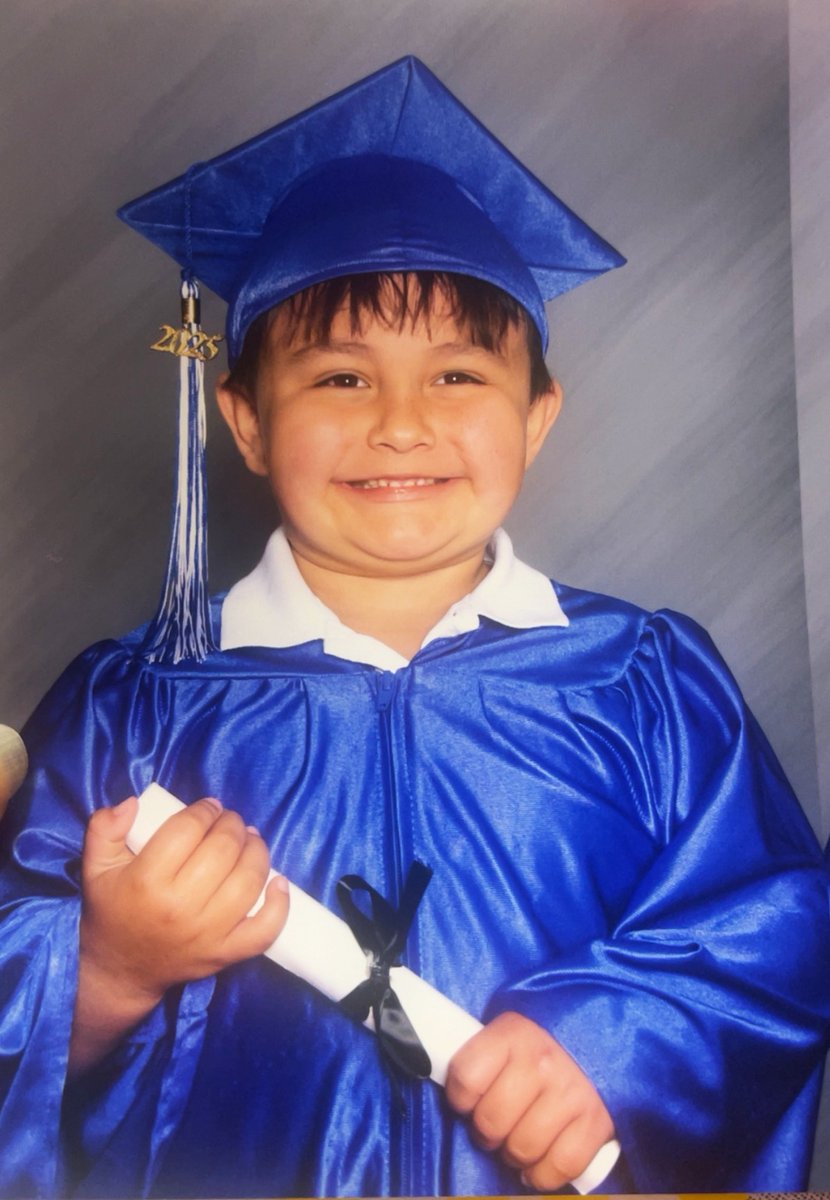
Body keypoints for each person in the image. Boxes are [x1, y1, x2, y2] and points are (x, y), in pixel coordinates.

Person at [0, 56, 828, 1200]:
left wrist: (607, 1047)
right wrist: (102, 969)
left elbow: (773, 938)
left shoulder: (642, 681)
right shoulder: (129, 709)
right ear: (243, 419)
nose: (401, 425)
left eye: (456, 375)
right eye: (339, 379)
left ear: (537, 416)